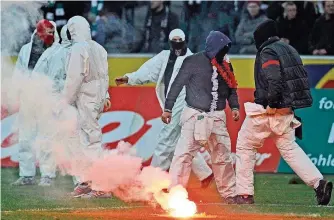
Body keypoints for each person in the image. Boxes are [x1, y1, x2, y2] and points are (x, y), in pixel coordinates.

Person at [235, 19, 333, 205]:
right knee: (290, 149)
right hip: (286, 111)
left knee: (245, 146)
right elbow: (298, 82)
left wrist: (272, 103)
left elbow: (274, 78)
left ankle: (245, 193)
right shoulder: (290, 50)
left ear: (261, 37)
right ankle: (318, 183)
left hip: (268, 110)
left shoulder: (268, 51)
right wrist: (291, 108)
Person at [115, 29, 214, 188]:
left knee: (166, 139)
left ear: (184, 40)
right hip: (172, 104)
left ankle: (152, 180)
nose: (177, 44)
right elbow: (147, 71)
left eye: (179, 40)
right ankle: (205, 174)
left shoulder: (192, 60)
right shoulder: (164, 57)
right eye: (173, 40)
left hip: (184, 104)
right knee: (180, 141)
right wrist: (129, 78)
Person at [162, 31, 240, 204]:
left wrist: (234, 106)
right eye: (222, 49)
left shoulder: (226, 63)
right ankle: (175, 192)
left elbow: (232, 87)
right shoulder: (191, 61)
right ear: (214, 48)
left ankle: (229, 193)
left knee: (222, 156)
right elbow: (176, 85)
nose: (224, 52)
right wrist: (168, 108)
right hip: (194, 115)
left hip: (218, 116)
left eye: (225, 49)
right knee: (183, 155)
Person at [62, 16, 111, 198]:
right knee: (88, 139)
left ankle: (99, 185)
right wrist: (105, 95)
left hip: (85, 97)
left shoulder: (78, 48)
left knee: (89, 141)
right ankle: (88, 182)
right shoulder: (99, 48)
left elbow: (74, 78)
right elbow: (105, 75)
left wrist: (64, 100)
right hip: (96, 97)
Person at [12, 19, 60, 186]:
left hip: (47, 98)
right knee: (25, 138)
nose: (46, 36)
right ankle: (27, 175)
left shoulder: (58, 51)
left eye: (50, 32)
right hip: (28, 97)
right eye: (44, 32)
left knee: (47, 137)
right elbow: (19, 71)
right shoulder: (26, 49)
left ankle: (47, 174)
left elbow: (59, 77)